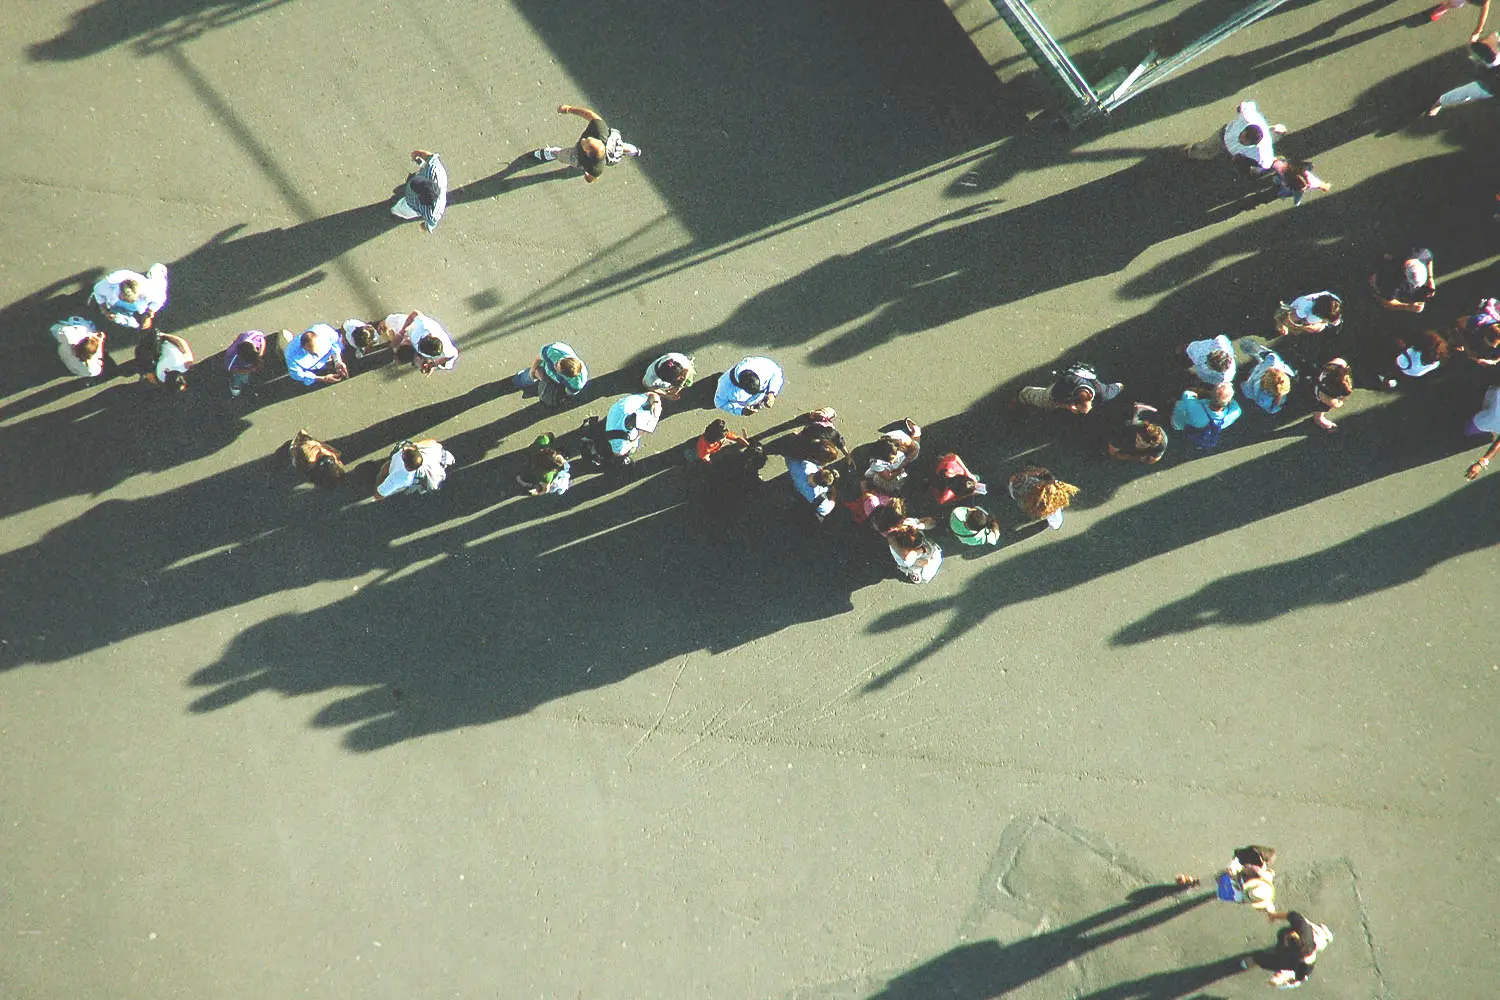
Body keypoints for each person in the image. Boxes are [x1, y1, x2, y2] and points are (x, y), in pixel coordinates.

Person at [533, 104, 642, 183]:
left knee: (564, 156)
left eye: (585, 143)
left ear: (588, 153)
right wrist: (569, 109)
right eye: (589, 139)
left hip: (577, 157)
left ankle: (554, 153)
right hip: (614, 149)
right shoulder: (600, 130)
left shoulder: (595, 167)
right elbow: (589, 114)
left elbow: (591, 177)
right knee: (621, 147)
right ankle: (634, 151)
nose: (584, 139)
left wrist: (587, 176)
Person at [1176, 845, 1285, 921]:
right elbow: (1237, 860)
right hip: (1238, 881)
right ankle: (1194, 882)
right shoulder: (1252, 866)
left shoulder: (1260, 887)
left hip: (1240, 890)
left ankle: (1196, 883)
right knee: (1219, 878)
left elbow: (1265, 904)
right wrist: (1233, 868)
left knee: (1221, 883)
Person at [1182, 100, 1285, 173]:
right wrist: (1241, 107)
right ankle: (1191, 153)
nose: (1240, 139)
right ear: (1245, 128)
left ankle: (1276, 130)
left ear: (1254, 144)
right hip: (1223, 135)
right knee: (1207, 150)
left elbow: (1267, 163)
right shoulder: (1248, 117)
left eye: (1244, 142)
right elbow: (1248, 105)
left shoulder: (1262, 150)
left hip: (1234, 152)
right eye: (1241, 135)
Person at [1249, 912, 1334, 989]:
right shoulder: (1301, 926)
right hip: (1303, 940)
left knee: (1265, 961)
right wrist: (1273, 915)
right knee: (1308, 926)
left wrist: (1285, 979)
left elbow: (1300, 977)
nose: (1286, 941)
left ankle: (1323, 936)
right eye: (1287, 939)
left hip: (1292, 960)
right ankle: (1322, 934)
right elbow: (1291, 915)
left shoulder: (1306, 961)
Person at [1427, 33, 1500, 115]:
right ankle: (1439, 102)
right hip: (1491, 80)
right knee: (1465, 92)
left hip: (1491, 87)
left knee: (1465, 93)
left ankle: (1440, 102)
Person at [1014, 362, 1122, 415]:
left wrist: (1120, 387)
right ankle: (1023, 394)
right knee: (1044, 399)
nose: (1086, 411)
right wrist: (1067, 407)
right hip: (1063, 390)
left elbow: (1119, 386)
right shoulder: (1067, 382)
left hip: (1076, 387)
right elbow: (1054, 398)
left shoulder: (1104, 393)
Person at [91, 263, 168, 329]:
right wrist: (104, 310)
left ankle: (157, 272)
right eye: (125, 299)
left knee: (130, 322)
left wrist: (149, 315)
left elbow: (159, 300)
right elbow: (98, 293)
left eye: (134, 299)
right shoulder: (107, 286)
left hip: (135, 307)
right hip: (112, 302)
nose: (131, 302)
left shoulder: (151, 290)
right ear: (120, 291)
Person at [514, 342, 589, 408]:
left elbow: (565, 393)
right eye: (558, 362)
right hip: (544, 367)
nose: (555, 363)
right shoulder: (554, 351)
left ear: (564, 375)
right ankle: (517, 382)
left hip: (555, 383)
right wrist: (533, 370)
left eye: (557, 367)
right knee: (523, 378)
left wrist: (543, 379)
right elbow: (539, 358)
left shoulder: (576, 384)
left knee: (548, 398)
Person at [378, 311, 457, 374]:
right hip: (411, 328)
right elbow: (415, 313)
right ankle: (382, 326)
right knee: (389, 321)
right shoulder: (423, 325)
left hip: (412, 342)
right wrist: (403, 331)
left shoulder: (447, 350)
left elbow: (452, 356)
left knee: (403, 354)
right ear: (429, 336)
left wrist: (433, 364)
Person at [373, 439, 455, 499]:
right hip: (437, 460)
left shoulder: (400, 477)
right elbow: (432, 442)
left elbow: (379, 495)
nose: (404, 449)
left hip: (423, 474)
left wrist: (380, 482)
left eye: (404, 453)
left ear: (407, 466)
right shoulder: (428, 448)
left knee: (385, 473)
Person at [390, 149, 447, 232]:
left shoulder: (433, 214)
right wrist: (417, 153)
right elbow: (431, 157)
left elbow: (429, 226)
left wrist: (423, 226)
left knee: (399, 210)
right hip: (416, 196)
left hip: (411, 206)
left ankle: (395, 212)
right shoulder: (435, 170)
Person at [1171, 383, 1242, 449]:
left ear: (1211, 394)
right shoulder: (1235, 412)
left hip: (1190, 426)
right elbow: (1235, 405)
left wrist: (1199, 392)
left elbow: (1186, 394)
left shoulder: (1196, 409)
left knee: (1181, 404)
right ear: (1228, 401)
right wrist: (1222, 397)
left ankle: (1176, 426)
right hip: (1206, 431)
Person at [1008, 466, 1078, 530]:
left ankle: (1054, 523)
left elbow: (1014, 495)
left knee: (1053, 515)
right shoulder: (1048, 491)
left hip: (1041, 502)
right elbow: (1048, 476)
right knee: (1054, 517)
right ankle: (1055, 524)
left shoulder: (1017, 489)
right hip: (1046, 503)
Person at [602, 391, 663, 464]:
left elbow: (651, 394)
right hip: (613, 432)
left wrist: (656, 403)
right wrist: (638, 436)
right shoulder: (619, 441)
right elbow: (619, 453)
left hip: (616, 411)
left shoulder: (632, 403)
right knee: (632, 449)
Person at [1370, 248, 1436, 314]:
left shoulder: (1422, 253)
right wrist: (1407, 307)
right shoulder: (1393, 280)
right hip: (1380, 279)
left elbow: (1429, 258)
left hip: (1397, 257)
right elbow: (1387, 302)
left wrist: (1430, 278)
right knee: (1375, 288)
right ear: (1405, 275)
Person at [863, 419, 921, 493]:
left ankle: (916, 431)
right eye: (889, 460)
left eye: (892, 458)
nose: (892, 461)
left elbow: (914, 449)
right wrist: (898, 470)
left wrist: (902, 465)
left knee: (917, 449)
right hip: (897, 449)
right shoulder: (876, 462)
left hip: (904, 445)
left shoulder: (901, 438)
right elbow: (888, 477)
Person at [714, 356, 784, 415]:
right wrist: (741, 411)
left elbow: (777, 372)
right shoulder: (724, 387)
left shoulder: (763, 366)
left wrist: (772, 393)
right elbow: (720, 403)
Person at [1239, 342, 1296, 414]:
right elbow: (1271, 409)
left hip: (1255, 377)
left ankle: (1256, 352)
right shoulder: (1263, 398)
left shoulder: (1273, 361)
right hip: (1254, 381)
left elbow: (1271, 355)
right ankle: (1256, 355)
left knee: (1249, 383)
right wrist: (1279, 397)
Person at [284, 324, 348, 387]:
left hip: (323, 359)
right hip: (306, 366)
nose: (318, 355)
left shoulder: (325, 331)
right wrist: (322, 378)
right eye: (313, 353)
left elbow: (335, 343)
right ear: (304, 348)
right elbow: (297, 374)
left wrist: (337, 360)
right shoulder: (291, 355)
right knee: (283, 352)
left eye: (319, 350)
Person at [785, 454, 838, 521]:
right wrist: (833, 491)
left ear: (819, 471)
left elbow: (790, 457)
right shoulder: (818, 498)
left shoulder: (806, 466)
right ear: (822, 485)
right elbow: (828, 507)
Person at [1463, 385, 1500, 479]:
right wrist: (1480, 464)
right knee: (1466, 430)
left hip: (1489, 395)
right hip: (1481, 422)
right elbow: (1497, 447)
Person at [1273, 291, 1342, 338]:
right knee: (1288, 320)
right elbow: (1290, 317)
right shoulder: (1304, 307)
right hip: (1297, 311)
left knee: (1320, 328)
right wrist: (1282, 324)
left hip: (1313, 317)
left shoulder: (1335, 301)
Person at [1454, 298, 1500, 366]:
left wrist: (1491, 362)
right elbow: (1457, 323)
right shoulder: (1478, 321)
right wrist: (1465, 347)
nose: (1494, 345)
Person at [1311, 359, 1354, 432]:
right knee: (1320, 408)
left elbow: (1340, 361)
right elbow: (1337, 404)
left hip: (1312, 379)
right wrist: (1341, 401)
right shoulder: (1327, 397)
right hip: (1313, 395)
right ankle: (1318, 419)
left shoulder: (1332, 366)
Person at [225, 330, 268, 397]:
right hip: (241, 367)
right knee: (240, 375)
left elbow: (262, 340)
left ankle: (244, 379)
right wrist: (247, 370)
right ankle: (236, 383)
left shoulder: (255, 336)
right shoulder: (232, 356)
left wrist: (260, 355)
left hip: (251, 360)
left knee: (246, 375)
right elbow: (230, 368)